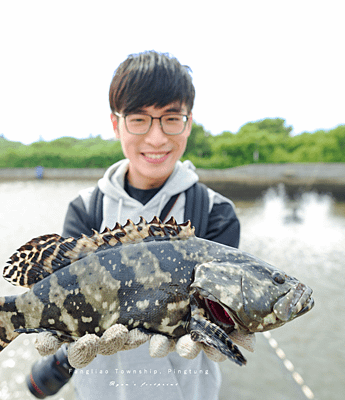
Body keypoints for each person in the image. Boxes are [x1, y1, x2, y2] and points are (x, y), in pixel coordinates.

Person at [27, 50, 241, 400]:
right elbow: (66, 296)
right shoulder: (85, 210)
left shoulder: (216, 213)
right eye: (139, 120)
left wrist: (227, 324)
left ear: (188, 122)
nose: (156, 138)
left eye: (171, 119)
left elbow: (217, 308)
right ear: (116, 124)